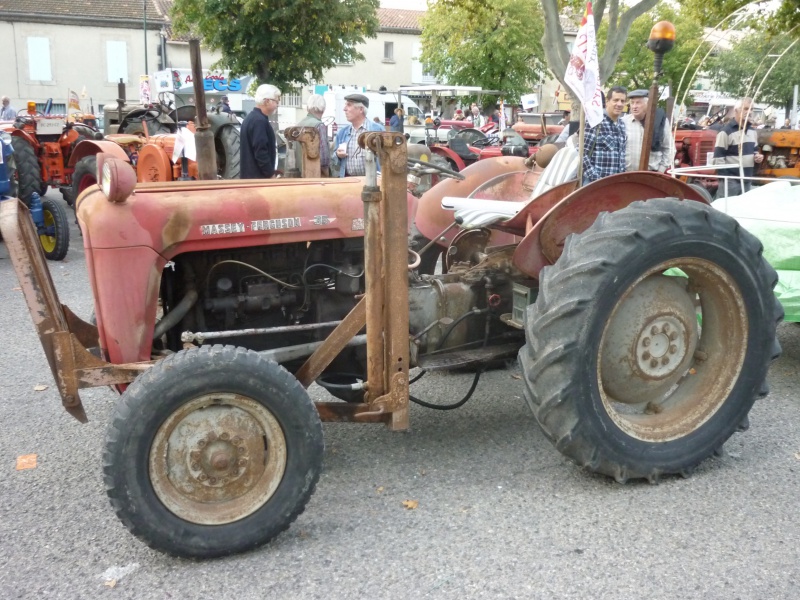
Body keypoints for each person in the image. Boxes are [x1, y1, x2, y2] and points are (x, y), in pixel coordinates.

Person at [712, 96, 764, 197]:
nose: (749, 112)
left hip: (747, 179)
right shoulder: (725, 132)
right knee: (725, 208)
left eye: (751, 109)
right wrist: (726, 179)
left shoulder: (753, 132)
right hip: (731, 181)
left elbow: (754, 151)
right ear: (736, 110)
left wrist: (757, 157)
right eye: (745, 108)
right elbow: (718, 159)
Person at [581, 86, 627, 184]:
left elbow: (621, 156)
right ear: (607, 101)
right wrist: (596, 179)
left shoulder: (622, 125)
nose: (619, 104)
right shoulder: (595, 122)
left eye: (622, 101)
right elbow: (581, 154)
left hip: (615, 184)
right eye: (616, 100)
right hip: (593, 185)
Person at [331, 93, 384, 177]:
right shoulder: (342, 133)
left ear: (361, 109)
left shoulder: (378, 130)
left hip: (373, 183)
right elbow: (333, 160)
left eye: (349, 105)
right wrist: (337, 155)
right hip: (349, 182)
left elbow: (387, 158)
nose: (344, 109)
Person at [622, 89, 673, 173]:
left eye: (638, 103)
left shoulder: (660, 121)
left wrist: (661, 170)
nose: (634, 106)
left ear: (648, 104)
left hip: (651, 174)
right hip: (627, 174)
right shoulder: (624, 122)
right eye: (632, 103)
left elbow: (669, 148)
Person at [240, 84, 281, 179]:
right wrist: (270, 174)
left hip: (250, 178)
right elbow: (261, 152)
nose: (277, 105)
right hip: (258, 180)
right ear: (267, 101)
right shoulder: (259, 121)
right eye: (276, 101)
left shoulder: (250, 118)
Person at [295, 94, 331, 177]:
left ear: (308, 108)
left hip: (301, 172)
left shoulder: (299, 124)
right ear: (323, 109)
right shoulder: (319, 125)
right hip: (316, 174)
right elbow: (324, 158)